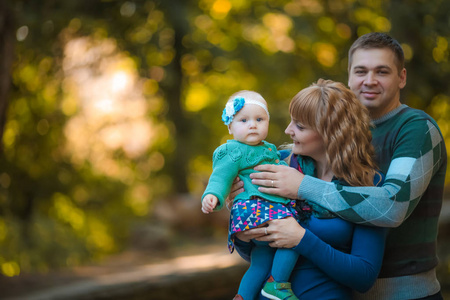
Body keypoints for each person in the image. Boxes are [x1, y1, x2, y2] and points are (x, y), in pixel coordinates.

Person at [240, 32, 447, 299]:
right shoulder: (303, 157)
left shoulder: (416, 129)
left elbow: (391, 206)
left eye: (382, 71)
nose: (369, 81)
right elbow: (267, 243)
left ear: (402, 77)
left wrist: (302, 187)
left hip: (402, 291)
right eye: (361, 71)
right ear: (349, 76)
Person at [232, 79, 387, 300]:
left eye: (300, 126)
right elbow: (256, 254)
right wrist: (243, 236)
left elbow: (364, 277)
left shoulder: (367, 184)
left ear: (333, 133)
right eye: (291, 121)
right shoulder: (278, 165)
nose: (288, 130)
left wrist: (301, 239)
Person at [201, 90, 301, 300]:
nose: (252, 124)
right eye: (244, 120)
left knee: (260, 261)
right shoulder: (232, 151)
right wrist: (213, 195)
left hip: (257, 214)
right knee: (294, 240)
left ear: (267, 122)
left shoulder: (270, 150)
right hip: (257, 210)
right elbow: (220, 177)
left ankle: (242, 296)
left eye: (259, 119)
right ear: (230, 127)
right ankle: (278, 284)